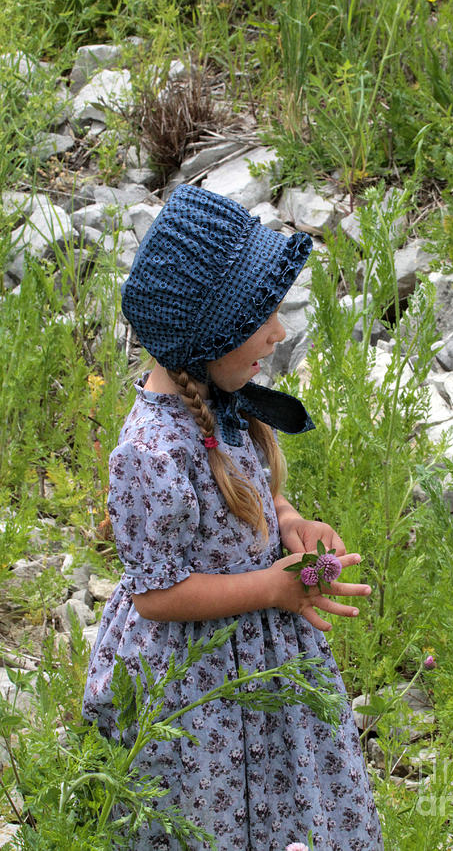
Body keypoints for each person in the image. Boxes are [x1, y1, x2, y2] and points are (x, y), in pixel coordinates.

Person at [83, 185, 383, 851]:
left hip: (266, 654)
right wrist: (272, 589)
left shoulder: (223, 404)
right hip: (199, 675)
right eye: (261, 317)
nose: (278, 333)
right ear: (206, 333)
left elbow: (253, 498)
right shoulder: (149, 451)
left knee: (292, 793)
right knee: (210, 812)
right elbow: (157, 595)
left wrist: (292, 523)